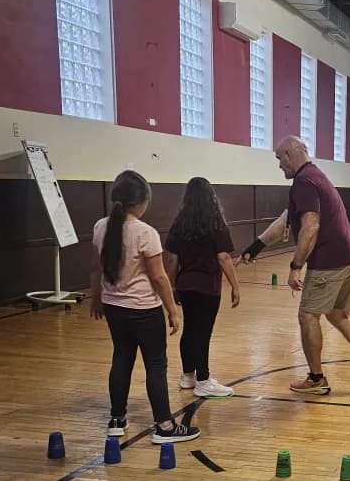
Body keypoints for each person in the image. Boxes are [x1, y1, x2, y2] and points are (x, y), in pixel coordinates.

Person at [240, 136, 350, 396]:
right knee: (337, 314)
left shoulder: (304, 182)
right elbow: (287, 220)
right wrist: (257, 246)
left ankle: (316, 378)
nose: (279, 166)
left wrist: (296, 266)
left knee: (308, 315)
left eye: (279, 159)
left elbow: (311, 226)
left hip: (330, 261)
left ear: (291, 154)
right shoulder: (313, 176)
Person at [89, 170, 200, 444]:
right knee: (155, 365)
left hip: (114, 308)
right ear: (141, 203)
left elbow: (95, 268)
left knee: (121, 358)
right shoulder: (145, 232)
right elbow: (159, 277)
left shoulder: (100, 226)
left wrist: (96, 298)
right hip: (144, 311)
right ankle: (164, 426)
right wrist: (172, 309)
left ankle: (117, 419)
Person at [166, 177, 240, 399]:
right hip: (208, 286)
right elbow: (224, 257)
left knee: (190, 329)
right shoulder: (216, 223)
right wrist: (235, 286)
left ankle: (188, 376)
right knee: (203, 333)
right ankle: (203, 380)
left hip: (186, 285)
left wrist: (172, 285)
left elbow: (172, 259)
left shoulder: (179, 224)